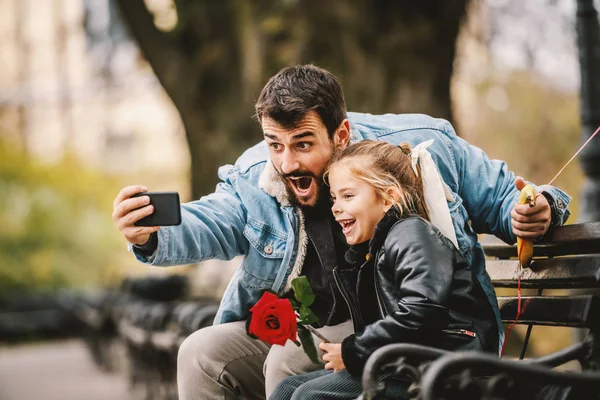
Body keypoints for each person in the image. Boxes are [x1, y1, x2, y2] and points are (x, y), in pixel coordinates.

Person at [111, 64, 571, 400]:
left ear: (342, 133)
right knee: (201, 351)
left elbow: (508, 195)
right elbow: (212, 220)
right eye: (276, 145)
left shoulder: (418, 144)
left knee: (288, 360)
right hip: (298, 324)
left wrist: (537, 210)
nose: (288, 163)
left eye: (304, 144)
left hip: (394, 325)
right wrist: (149, 235)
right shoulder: (260, 172)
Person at [269, 140, 499, 400]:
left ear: (389, 197)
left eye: (348, 196)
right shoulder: (374, 249)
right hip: (410, 366)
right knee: (286, 390)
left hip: (449, 370)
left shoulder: (411, 233)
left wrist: (354, 350)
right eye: (334, 197)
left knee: (309, 397)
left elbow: (422, 310)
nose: (335, 207)